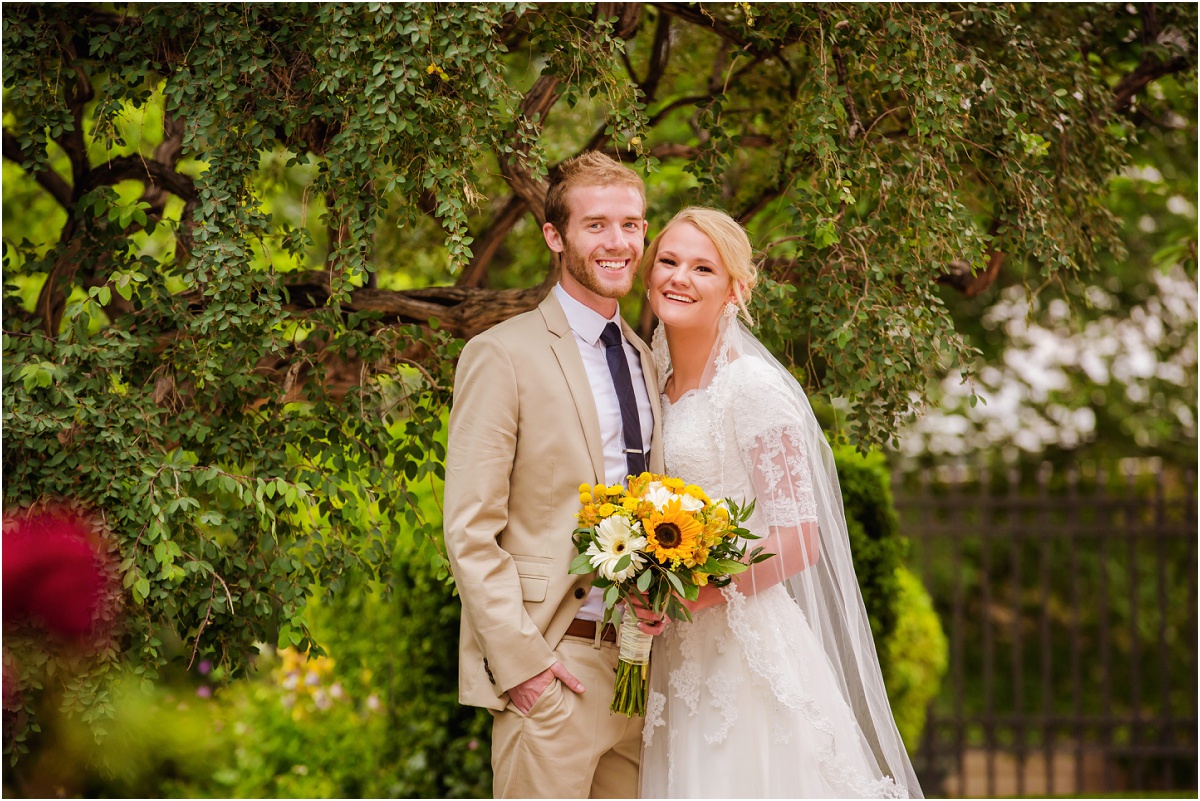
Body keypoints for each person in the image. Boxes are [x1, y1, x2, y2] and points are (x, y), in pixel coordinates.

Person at [637, 207, 923, 798]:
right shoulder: (648, 382)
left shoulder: (755, 391)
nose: (679, 277)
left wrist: (689, 595)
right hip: (670, 654)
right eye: (668, 261)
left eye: (702, 268)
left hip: (743, 651)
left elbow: (797, 541)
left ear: (736, 290)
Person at [443, 151, 667, 799]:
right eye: (596, 225)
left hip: (636, 667)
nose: (619, 241)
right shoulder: (501, 354)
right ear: (554, 235)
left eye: (632, 224)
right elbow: (469, 530)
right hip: (553, 663)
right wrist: (523, 667)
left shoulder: (643, 358)